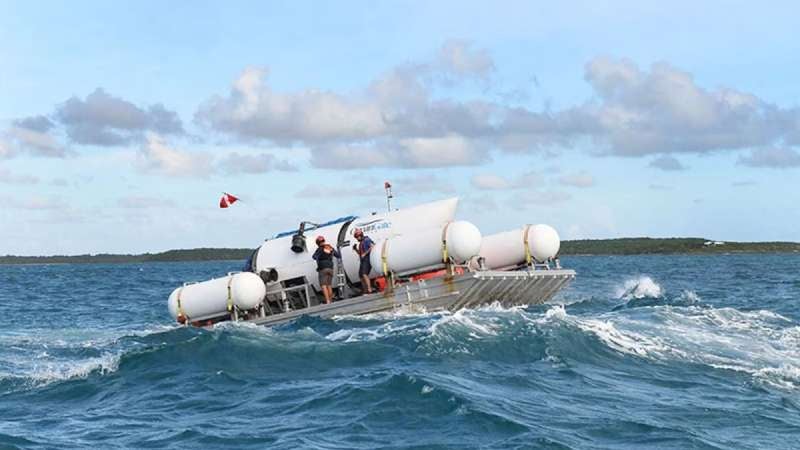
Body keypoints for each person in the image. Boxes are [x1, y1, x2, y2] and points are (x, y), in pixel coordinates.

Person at [312, 236, 340, 304]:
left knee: (323, 285)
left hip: (323, 269)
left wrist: (320, 255)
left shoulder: (320, 249)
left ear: (317, 243)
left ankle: (327, 301)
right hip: (330, 268)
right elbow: (338, 255)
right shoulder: (330, 247)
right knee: (329, 285)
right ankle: (330, 300)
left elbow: (314, 257)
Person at [352, 228, 374, 294]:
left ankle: (369, 289)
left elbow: (372, 246)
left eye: (357, 237)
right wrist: (355, 249)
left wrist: (365, 253)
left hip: (367, 259)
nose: (357, 239)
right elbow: (361, 254)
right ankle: (365, 290)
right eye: (356, 237)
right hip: (363, 261)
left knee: (364, 274)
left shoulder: (366, 240)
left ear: (360, 235)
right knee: (361, 276)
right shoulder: (361, 243)